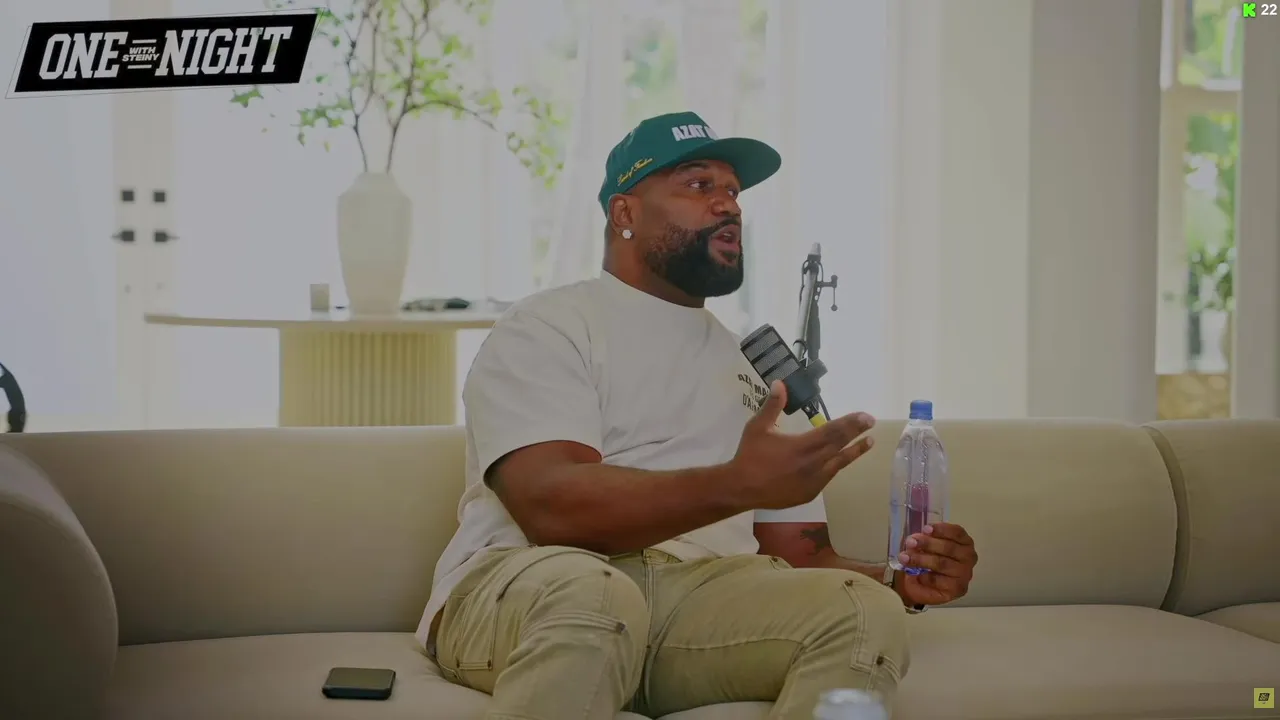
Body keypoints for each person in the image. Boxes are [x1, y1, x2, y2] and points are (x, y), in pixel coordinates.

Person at [415, 111, 979, 720]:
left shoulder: (760, 372)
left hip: (698, 602)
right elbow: (551, 508)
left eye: (733, 191)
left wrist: (897, 580)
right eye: (698, 184)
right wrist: (736, 483)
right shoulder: (547, 325)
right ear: (625, 213)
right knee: (596, 597)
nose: (728, 206)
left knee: (864, 612)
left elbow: (802, 556)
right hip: (537, 589)